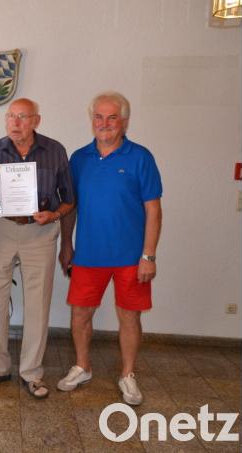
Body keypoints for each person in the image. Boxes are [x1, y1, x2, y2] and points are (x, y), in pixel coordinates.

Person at [57, 91, 162, 406]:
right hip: (89, 254)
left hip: (131, 257)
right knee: (80, 314)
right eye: (99, 117)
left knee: (129, 317)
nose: (104, 123)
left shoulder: (140, 157)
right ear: (92, 121)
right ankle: (82, 366)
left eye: (112, 117)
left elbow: (153, 210)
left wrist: (148, 256)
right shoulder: (79, 158)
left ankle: (128, 375)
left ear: (124, 121)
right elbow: (70, 206)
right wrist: (67, 244)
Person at [0, 98, 75, 399]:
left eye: (23, 117)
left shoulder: (55, 151)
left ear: (36, 120)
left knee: (37, 303)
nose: (16, 123)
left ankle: (32, 373)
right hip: (1, 229)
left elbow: (69, 199)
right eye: (11, 117)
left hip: (39, 232)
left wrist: (53, 215)